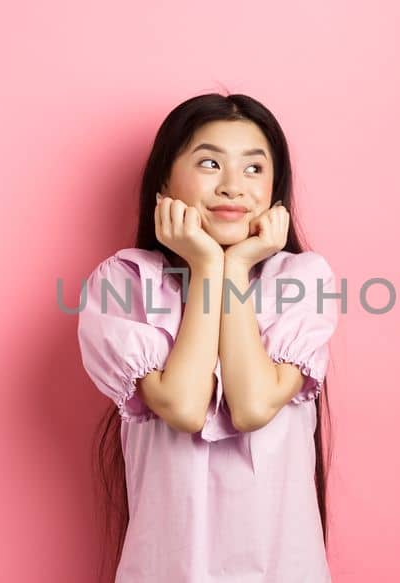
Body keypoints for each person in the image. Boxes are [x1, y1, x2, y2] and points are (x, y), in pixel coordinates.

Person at [76, 92, 339, 582]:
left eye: (254, 169)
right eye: (210, 163)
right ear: (163, 180)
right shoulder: (124, 281)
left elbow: (252, 406)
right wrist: (205, 266)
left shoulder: (302, 278)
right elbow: (182, 407)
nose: (233, 186)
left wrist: (234, 266)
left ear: (275, 189)